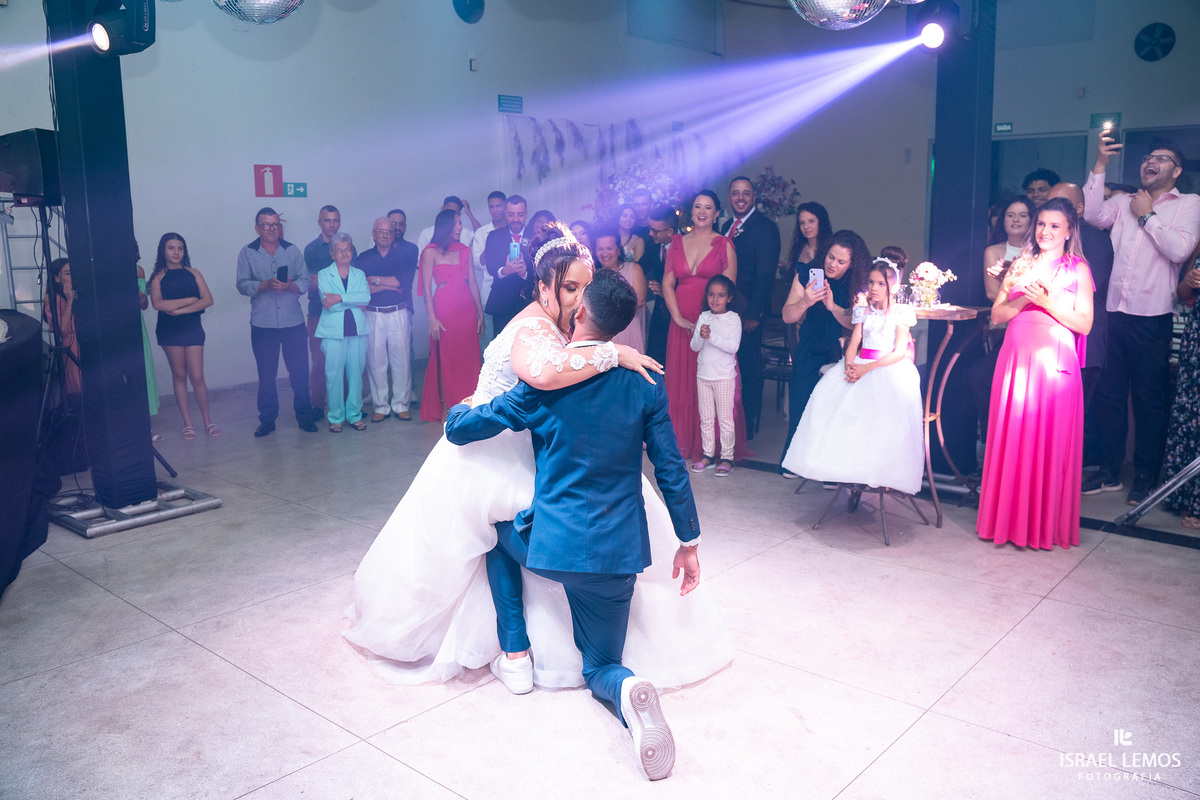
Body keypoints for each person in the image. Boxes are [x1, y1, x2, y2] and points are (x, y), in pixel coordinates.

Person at [344, 222, 730, 698]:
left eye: (584, 288)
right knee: (495, 526)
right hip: (506, 467)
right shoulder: (540, 333)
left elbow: (535, 390)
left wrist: (463, 414)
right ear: (543, 287)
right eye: (570, 288)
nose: (578, 299)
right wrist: (614, 352)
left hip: (519, 454)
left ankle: (517, 651)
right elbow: (549, 376)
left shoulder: (554, 348)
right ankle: (550, 663)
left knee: (501, 529)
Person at [445, 268, 704, 781]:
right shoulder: (645, 383)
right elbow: (670, 468)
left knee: (490, 530)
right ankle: (627, 688)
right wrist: (689, 541)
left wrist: (461, 407)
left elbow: (463, 430)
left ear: (580, 312)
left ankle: (515, 651)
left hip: (553, 549)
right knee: (602, 666)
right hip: (619, 556)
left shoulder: (542, 386)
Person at [1082, 135, 1200, 504]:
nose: (1150, 161)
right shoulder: (1123, 202)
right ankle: (1109, 471)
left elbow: (1179, 250)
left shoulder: (1190, 204)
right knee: (1110, 396)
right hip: (1113, 313)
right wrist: (1100, 164)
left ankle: (1146, 476)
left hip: (1152, 317)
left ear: (1176, 171)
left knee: (1149, 401)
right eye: (1148, 157)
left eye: (1161, 158)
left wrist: (1147, 215)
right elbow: (1091, 214)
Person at [977, 198, 1094, 549]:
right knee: (1013, 438)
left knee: (1050, 442)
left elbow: (1084, 324)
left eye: (1054, 226)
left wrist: (1046, 303)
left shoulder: (1078, 269)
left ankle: (1043, 526)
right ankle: (1007, 522)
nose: (1045, 231)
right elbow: (997, 315)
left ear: (1069, 230)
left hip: (1055, 365)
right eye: (1041, 224)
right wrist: (1024, 301)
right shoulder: (1021, 264)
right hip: (1016, 359)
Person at [781, 258, 922, 493]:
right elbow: (854, 343)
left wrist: (867, 368)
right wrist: (849, 365)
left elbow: (898, 352)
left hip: (884, 366)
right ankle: (835, 467)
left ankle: (873, 469)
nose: (874, 288)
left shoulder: (901, 312)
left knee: (875, 408)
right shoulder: (863, 311)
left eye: (881, 284)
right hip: (859, 362)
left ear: (894, 287)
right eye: (871, 282)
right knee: (829, 399)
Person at [662, 190, 744, 462]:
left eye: (708, 207)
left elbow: (728, 289)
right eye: (698, 206)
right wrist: (677, 317)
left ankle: (713, 449)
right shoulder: (677, 243)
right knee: (681, 381)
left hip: (711, 321)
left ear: (716, 213)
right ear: (691, 211)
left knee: (712, 378)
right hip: (680, 319)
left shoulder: (724, 244)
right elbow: (667, 283)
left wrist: (709, 320)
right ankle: (683, 442)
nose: (702, 212)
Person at [780, 230, 871, 471]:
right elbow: (787, 315)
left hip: (842, 349)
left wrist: (832, 307)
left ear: (852, 263)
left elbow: (856, 323)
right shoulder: (807, 273)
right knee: (801, 401)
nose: (833, 264)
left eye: (841, 261)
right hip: (811, 344)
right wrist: (805, 302)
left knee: (835, 407)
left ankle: (830, 468)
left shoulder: (859, 281)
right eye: (831, 257)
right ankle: (796, 462)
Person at [236, 207, 318, 437]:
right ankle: (267, 420)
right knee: (266, 375)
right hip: (263, 325)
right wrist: (265, 285)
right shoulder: (247, 253)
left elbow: (305, 281)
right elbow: (241, 284)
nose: (272, 229)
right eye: (266, 225)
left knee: (299, 373)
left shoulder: (291, 250)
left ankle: (304, 416)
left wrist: (290, 286)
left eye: (275, 224)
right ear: (257, 228)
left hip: (293, 323)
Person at [1048, 181, 1114, 464]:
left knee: (1074, 418)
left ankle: (1066, 476)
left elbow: (1083, 287)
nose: (1052, 209)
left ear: (1078, 208)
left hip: (1083, 339)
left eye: (1060, 203)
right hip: (1050, 339)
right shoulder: (1044, 239)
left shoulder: (1095, 240)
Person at [969, 196, 1035, 439]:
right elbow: (991, 293)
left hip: (1032, 330)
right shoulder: (993, 251)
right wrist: (1022, 296)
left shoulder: (1039, 253)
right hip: (1003, 329)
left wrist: (1008, 292)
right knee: (981, 378)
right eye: (1010, 215)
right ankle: (993, 439)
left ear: (1032, 220)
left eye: (1022, 215)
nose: (1016, 220)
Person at [722, 176, 782, 440]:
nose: (740, 198)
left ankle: (746, 426)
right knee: (727, 367)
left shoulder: (766, 228)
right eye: (735, 193)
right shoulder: (727, 226)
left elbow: (765, 275)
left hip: (748, 312)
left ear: (754, 197)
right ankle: (728, 421)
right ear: (729, 197)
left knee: (748, 367)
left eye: (746, 193)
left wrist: (753, 314)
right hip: (726, 310)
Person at [148, 232, 217, 439]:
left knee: (197, 376)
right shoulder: (158, 277)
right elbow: (158, 304)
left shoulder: (194, 273)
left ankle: (208, 422)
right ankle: (187, 424)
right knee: (179, 375)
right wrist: (189, 300)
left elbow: (207, 300)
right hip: (169, 331)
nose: (176, 252)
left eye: (180, 248)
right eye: (171, 248)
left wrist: (180, 311)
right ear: (163, 251)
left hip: (192, 327)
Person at [418, 209, 483, 422]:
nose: (459, 227)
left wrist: (480, 313)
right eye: (455, 223)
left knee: (470, 359)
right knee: (448, 360)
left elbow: (473, 283)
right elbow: (426, 289)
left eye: (460, 223)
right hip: (444, 311)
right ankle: (453, 409)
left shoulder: (465, 250)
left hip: (467, 311)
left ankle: (472, 405)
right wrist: (432, 318)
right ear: (445, 226)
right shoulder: (430, 252)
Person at [358, 217, 417, 423]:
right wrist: (387, 284)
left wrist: (375, 280)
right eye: (381, 231)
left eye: (389, 232)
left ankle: (401, 405)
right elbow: (362, 287)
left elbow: (401, 282)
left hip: (398, 313)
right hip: (372, 314)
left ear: (393, 235)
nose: (385, 235)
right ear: (373, 234)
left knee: (401, 361)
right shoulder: (364, 258)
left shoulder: (403, 256)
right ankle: (380, 406)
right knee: (376, 362)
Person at [315, 233, 370, 432]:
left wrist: (339, 297)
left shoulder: (359, 274)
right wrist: (352, 300)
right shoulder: (323, 274)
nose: (345, 254)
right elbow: (328, 305)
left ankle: (354, 415)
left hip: (357, 331)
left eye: (348, 249)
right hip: (332, 332)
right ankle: (336, 417)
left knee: (356, 375)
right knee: (334, 376)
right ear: (332, 254)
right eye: (340, 250)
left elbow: (365, 298)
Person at [689, 274, 742, 477]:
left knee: (725, 419)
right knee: (706, 419)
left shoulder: (733, 319)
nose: (715, 299)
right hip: (703, 375)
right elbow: (695, 347)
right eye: (711, 294)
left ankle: (727, 457)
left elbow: (732, 347)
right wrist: (701, 336)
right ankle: (708, 454)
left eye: (721, 295)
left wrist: (711, 336)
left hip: (724, 377)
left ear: (729, 298)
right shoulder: (704, 316)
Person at [1163, 251, 1200, 529]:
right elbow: (1183, 292)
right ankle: (1184, 496)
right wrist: (1189, 281)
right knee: (1190, 417)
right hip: (1196, 339)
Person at [303, 206, 352, 416]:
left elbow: (353, 279)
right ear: (320, 222)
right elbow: (313, 283)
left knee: (345, 360)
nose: (332, 224)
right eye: (327, 220)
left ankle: (347, 405)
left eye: (335, 220)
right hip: (318, 312)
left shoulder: (349, 246)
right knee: (320, 361)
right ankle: (317, 404)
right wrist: (340, 283)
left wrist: (328, 281)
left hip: (344, 312)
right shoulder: (312, 249)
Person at [482, 194, 530, 333]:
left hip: (528, 304)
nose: (515, 219)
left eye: (520, 214)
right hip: (502, 304)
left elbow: (542, 270)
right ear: (505, 214)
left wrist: (525, 273)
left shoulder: (535, 235)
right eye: (511, 214)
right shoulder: (494, 236)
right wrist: (505, 271)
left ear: (526, 214)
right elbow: (490, 267)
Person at [594, 227, 646, 352]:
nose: (605, 254)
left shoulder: (634, 269)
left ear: (618, 250)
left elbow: (640, 301)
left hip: (629, 330)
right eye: (600, 249)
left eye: (609, 248)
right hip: (602, 335)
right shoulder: (593, 275)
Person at [642, 205, 677, 366]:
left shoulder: (687, 245)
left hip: (681, 310)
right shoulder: (652, 244)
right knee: (655, 355)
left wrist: (667, 292)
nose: (650, 233)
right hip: (660, 309)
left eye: (655, 231)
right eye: (650, 228)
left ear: (670, 231)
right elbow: (641, 266)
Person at [471, 191, 508, 341]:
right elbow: (477, 264)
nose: (495, 210)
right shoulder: (482, 233)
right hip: (488, 292)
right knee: (487, 340)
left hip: (511, 292)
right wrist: (492, 243)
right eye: (491, 207)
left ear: (505, 206)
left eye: (498, 206)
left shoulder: (513, 229)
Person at [43, 258, 81, 403]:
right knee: (78, 388)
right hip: (71, 346)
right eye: (68, 273)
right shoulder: (51, 297)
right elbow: (62, 330)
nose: (72, 277)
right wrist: (70, 301)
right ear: (57, 278)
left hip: (85, 341)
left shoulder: (77, 293)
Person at [135, 251, 160, 441]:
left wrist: (138, 293)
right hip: (108, 326)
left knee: (142, 371)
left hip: (135, 326)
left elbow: (143, 305)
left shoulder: (137, 270)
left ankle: (145, 426)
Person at [786, 202, 833, 285]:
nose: (806, 227)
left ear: (821, 222)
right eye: (802, 223)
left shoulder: (832, 248)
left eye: (811, 221)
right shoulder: (798, 250)